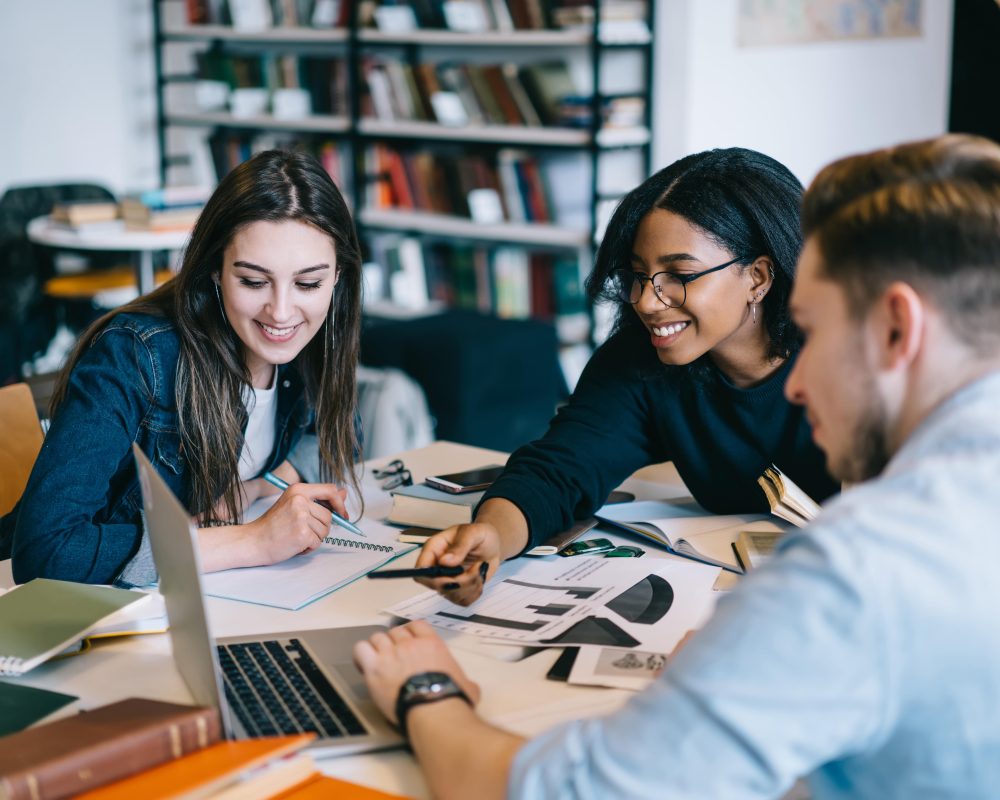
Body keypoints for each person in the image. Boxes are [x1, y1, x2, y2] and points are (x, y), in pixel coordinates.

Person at [352, 134, 1000, 799]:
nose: (799, 386)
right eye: (637, 275)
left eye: (818, 327)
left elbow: (574, 792)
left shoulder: (856, 567)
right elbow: (566, 459)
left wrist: (427, 693)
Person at [418, 147, 839, 604]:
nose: (646, 301)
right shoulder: (642, 360)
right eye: (639, 275)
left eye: (679, 274)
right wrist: (491, 537)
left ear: (758, 277)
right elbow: (559, 471)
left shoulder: (853, 358)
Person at [0, 150, 363, 587]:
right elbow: (47, 552)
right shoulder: (135, 356)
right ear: (215, 270)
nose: (282, 312)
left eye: (308, 283)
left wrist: (256, 488)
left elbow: (340, 431)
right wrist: (252, 540)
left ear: (338, 276)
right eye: (252, 281)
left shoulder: (309, 339)